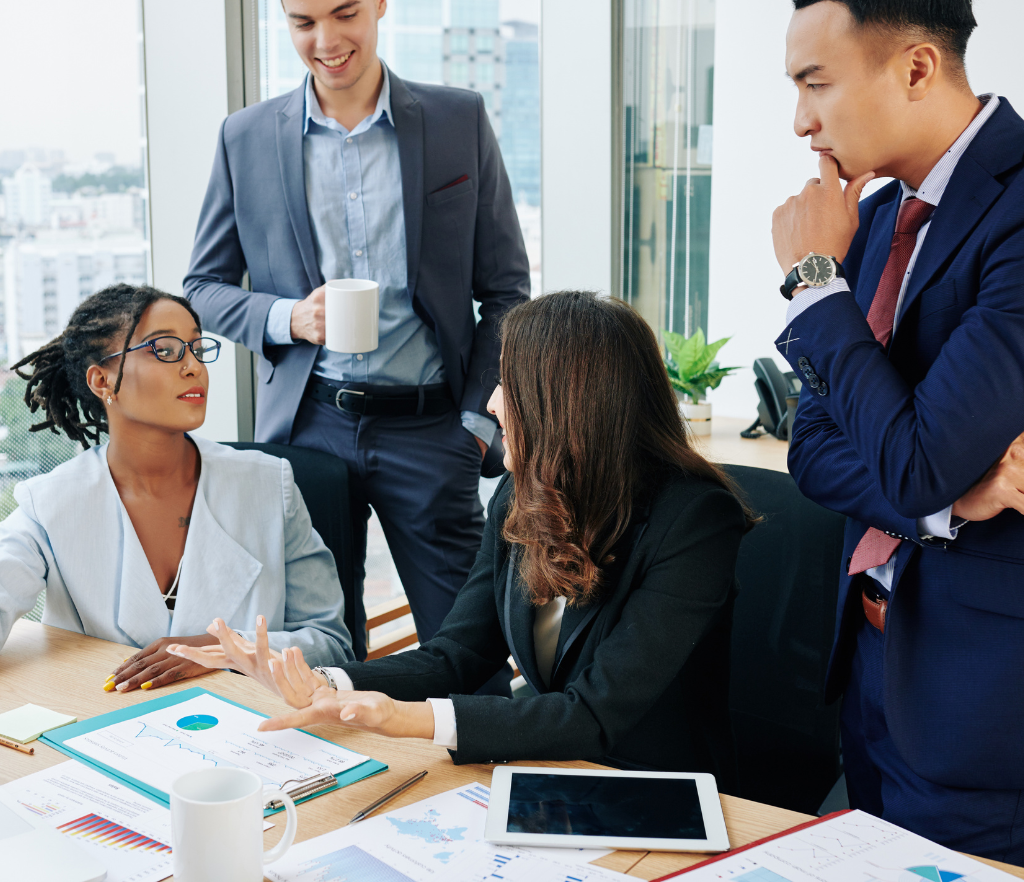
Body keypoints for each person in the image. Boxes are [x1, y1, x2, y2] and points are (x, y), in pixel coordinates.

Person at [170, 291, 751, 776]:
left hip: (656, 787)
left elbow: (593, 714)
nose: (494, 401)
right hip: (550, 765)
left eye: (509, 382)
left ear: (570, 406)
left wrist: (400, 718)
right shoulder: (524, 493)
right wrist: (319, 679)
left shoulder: (695, 521)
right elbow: (457, 656)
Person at [183, 0, 530, 661]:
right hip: (307, 432)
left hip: (432, 433)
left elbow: (506, 290)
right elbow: (203, 288)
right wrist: (288, 317)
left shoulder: (455, 120)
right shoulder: (245, 138)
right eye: (302, 22)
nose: (325, 40)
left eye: (344, 14)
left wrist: (475, 423)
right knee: (320, 653)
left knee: (466, 652)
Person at [772, 0, 1024, 862]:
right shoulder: (871, 218)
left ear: (916, 68)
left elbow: (912, 457)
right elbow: (814, 450)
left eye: (816, 83)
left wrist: (812, 281)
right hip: (873, 666)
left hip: (981, 699)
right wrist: (951, 502)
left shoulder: (1016, 214)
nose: (802, 121)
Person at [0, 284, 353, 692]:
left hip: (254, 731)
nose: (194, 367)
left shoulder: (269, 485)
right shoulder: (49, 504)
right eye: (164, 350)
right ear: (101, 380)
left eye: (197, 348)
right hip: (108, 731)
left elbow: (331, 643)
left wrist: (219, 649)